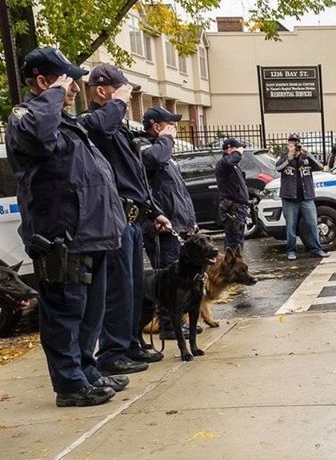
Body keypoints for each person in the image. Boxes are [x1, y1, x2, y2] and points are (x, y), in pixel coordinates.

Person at [6, 47, 128, 406]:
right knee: (65, 312)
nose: (74, 87)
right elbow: (40, 137)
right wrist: (54, 94)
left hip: (92, 233)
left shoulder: (64, 121)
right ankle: (70, 384)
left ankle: (85, 369)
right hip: (63, 236)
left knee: (91, 311)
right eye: (65, 80)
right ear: (43, 82)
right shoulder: (27, 117)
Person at [80, 64, 170, 373]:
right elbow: (101, 126)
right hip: (115, 217)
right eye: (122, 92)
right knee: (117, 290)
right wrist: (117, 103)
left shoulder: (116, 127)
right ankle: (111, 352)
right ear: (102, 90)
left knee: (132, 288)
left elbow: (135, 176)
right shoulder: (95, 123)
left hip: (133, 217)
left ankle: (129, 343)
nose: (127, 98)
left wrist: (154, 210)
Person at [140, 107, 198, 340]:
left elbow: (178, 192)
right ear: (156, 127)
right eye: (170, 124)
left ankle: (176, 322)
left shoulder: (166, 153)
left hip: (177, 223)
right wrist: (166, 139)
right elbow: (154, 159)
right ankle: (168, 325)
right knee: (168, 280)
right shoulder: (145, 147)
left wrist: (190, 221)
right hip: (161, 228)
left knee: (179, 279)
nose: (174, 129)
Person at [276, 133, 329, 260]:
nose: (294, 145)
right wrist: (289, 156)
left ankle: (316, 248)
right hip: (290, 197)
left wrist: (308, 153)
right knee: (291, 225)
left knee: (312, 223)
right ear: (288, 144)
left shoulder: (306, 158)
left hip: (307, 197)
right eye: (291, 142)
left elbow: (320, 167)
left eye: (296, 142)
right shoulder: (284, 157)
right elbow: (278, 168)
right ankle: (291, 251)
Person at [215, 138, 251, 251]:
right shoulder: (224, 163)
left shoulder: (233, 165)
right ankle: (231, 266)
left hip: (239, 207)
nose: (241, 152)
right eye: (237, 149)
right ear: (229, 149)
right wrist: (237, 153)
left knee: (238, 239)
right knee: (233, 241)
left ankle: (236, 264)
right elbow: (230, 160)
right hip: (232, 208)